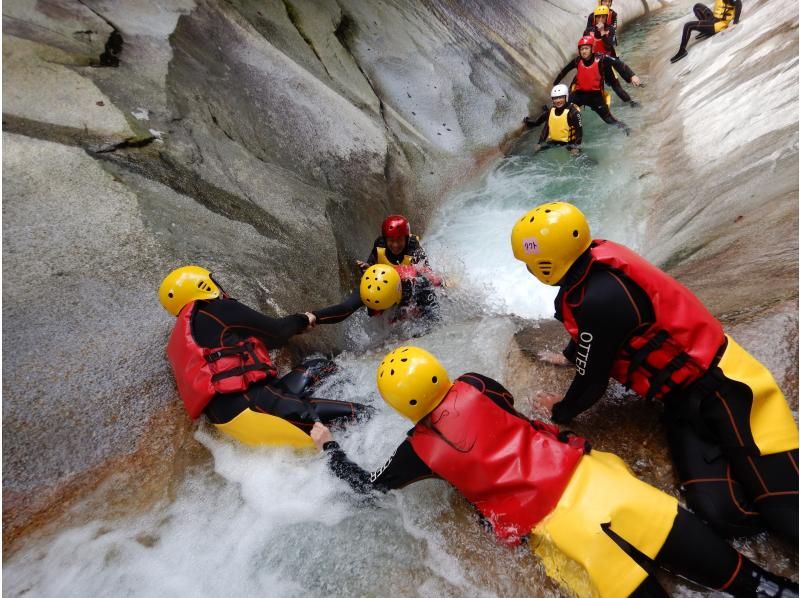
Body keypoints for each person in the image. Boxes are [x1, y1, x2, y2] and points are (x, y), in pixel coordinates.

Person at [311, 346, 798, 598]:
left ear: (400, 406)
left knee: (611, 579)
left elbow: (367, 490)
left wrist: (331, 447)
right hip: (595, 480)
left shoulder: (415, 453)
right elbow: (506, 410)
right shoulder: (477, 383)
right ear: (439, 372)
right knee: (752, 582)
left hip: (553, 524)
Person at [510, 202, 799, 543]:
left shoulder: (600, 297)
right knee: (723, 515)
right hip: (681, 399)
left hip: (724, 385)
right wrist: (572, 354)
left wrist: (560, 410)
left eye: (530, 263)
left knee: (786, 512)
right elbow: (594, 335)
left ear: (547, 264)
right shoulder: (589, 270)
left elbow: (592, 382)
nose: (528, 270)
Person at [158, 265, 371, 448]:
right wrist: (303, 319)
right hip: (257, 408)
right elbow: (277, 331)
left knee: (319, 367)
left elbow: (270, 340)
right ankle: (363, 407)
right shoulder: (218, 310)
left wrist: (293, 328)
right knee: (364, 414)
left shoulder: (190, 334)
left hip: (235, 420)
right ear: (204, 286)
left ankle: (353, 396)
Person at [553, 37, 641, 135]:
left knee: (609, 120)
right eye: (582, 49)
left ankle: (626, 129)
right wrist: (555, 84)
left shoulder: (602, 59)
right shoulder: (577, 61)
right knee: (562, 108)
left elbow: (619, 64)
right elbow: (564, 71)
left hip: (596, 97)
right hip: (578, 95)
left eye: (586, 48)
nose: (584, 51)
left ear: (592, 49)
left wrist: (632, 75)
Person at [311, 263, 440, 326]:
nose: (379, 310)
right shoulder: (369, 289)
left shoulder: (417, 284)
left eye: (382, 307)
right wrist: (315, 316)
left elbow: (434, 319)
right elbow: (346, 308)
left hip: (425, 284)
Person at [583, 6, 641, 107]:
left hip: (607, 61)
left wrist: (602, 33)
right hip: (594, 63)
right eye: (598, 17)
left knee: (616, 84)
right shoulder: (588, 31)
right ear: (594, 18)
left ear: (606, 18)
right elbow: (584, 47)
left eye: (603, 17)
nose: (600, 20)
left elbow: (609, 45)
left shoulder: (610, 29)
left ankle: (630, 101)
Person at [670, 0, 742, 63]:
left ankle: (682, 51)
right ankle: (705, 30)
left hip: (718, 24)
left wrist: (735, 23)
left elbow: (738, 2)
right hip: (713, 18)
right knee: (697, 6)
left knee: (688, 25)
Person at [522, 84, 583, 156]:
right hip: (554, 142)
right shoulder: (551, 110)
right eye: (555, 98)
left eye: (560, 97)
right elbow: (546, 128)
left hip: (570, 144)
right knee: (534, 152)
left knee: (577, 156)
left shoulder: (573, 112)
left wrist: (576, 147)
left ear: (566, 97)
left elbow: (579, 132)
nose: (557, 100)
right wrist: (540, 143)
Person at [356, 215, 431, 272]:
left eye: (400, 240)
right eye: (391, 240)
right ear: (385, 240)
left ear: (406, 239)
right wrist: (367, 268)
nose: (395, 245)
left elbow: (427, 272)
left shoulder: (413, 248)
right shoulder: (380, 244)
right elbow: (371, 266)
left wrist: (413, 273)